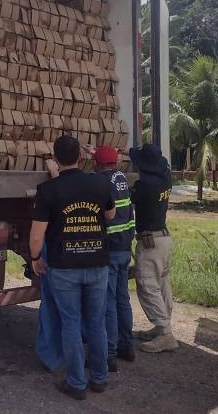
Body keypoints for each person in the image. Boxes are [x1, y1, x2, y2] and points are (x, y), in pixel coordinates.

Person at [30, 135, 116, 401]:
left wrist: (35, 258)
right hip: (98, 264)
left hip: (64, 267)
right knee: (96, 322)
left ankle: (77, 383)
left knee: (70, 323)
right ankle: (100, 378)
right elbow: (110, 215)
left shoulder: (48, 191)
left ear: (55, 159)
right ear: (81, 157)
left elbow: (37, 235)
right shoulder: (101, 183)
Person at [129, 144, 178, 353]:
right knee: (161, 283)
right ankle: (161, 328)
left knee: (148, 285)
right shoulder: (165, 179)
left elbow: (126, 196)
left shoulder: (144, 186)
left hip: (150, 243)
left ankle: (165, 334)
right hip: (164, 240)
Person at [93, 146, 136, 371]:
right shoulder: (121, 179)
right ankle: (127, 347)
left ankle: (108, 354)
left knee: (107, 303)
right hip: (125, 246)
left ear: (98, 164)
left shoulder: (100, 182)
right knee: (123, 299)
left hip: (109, 249)